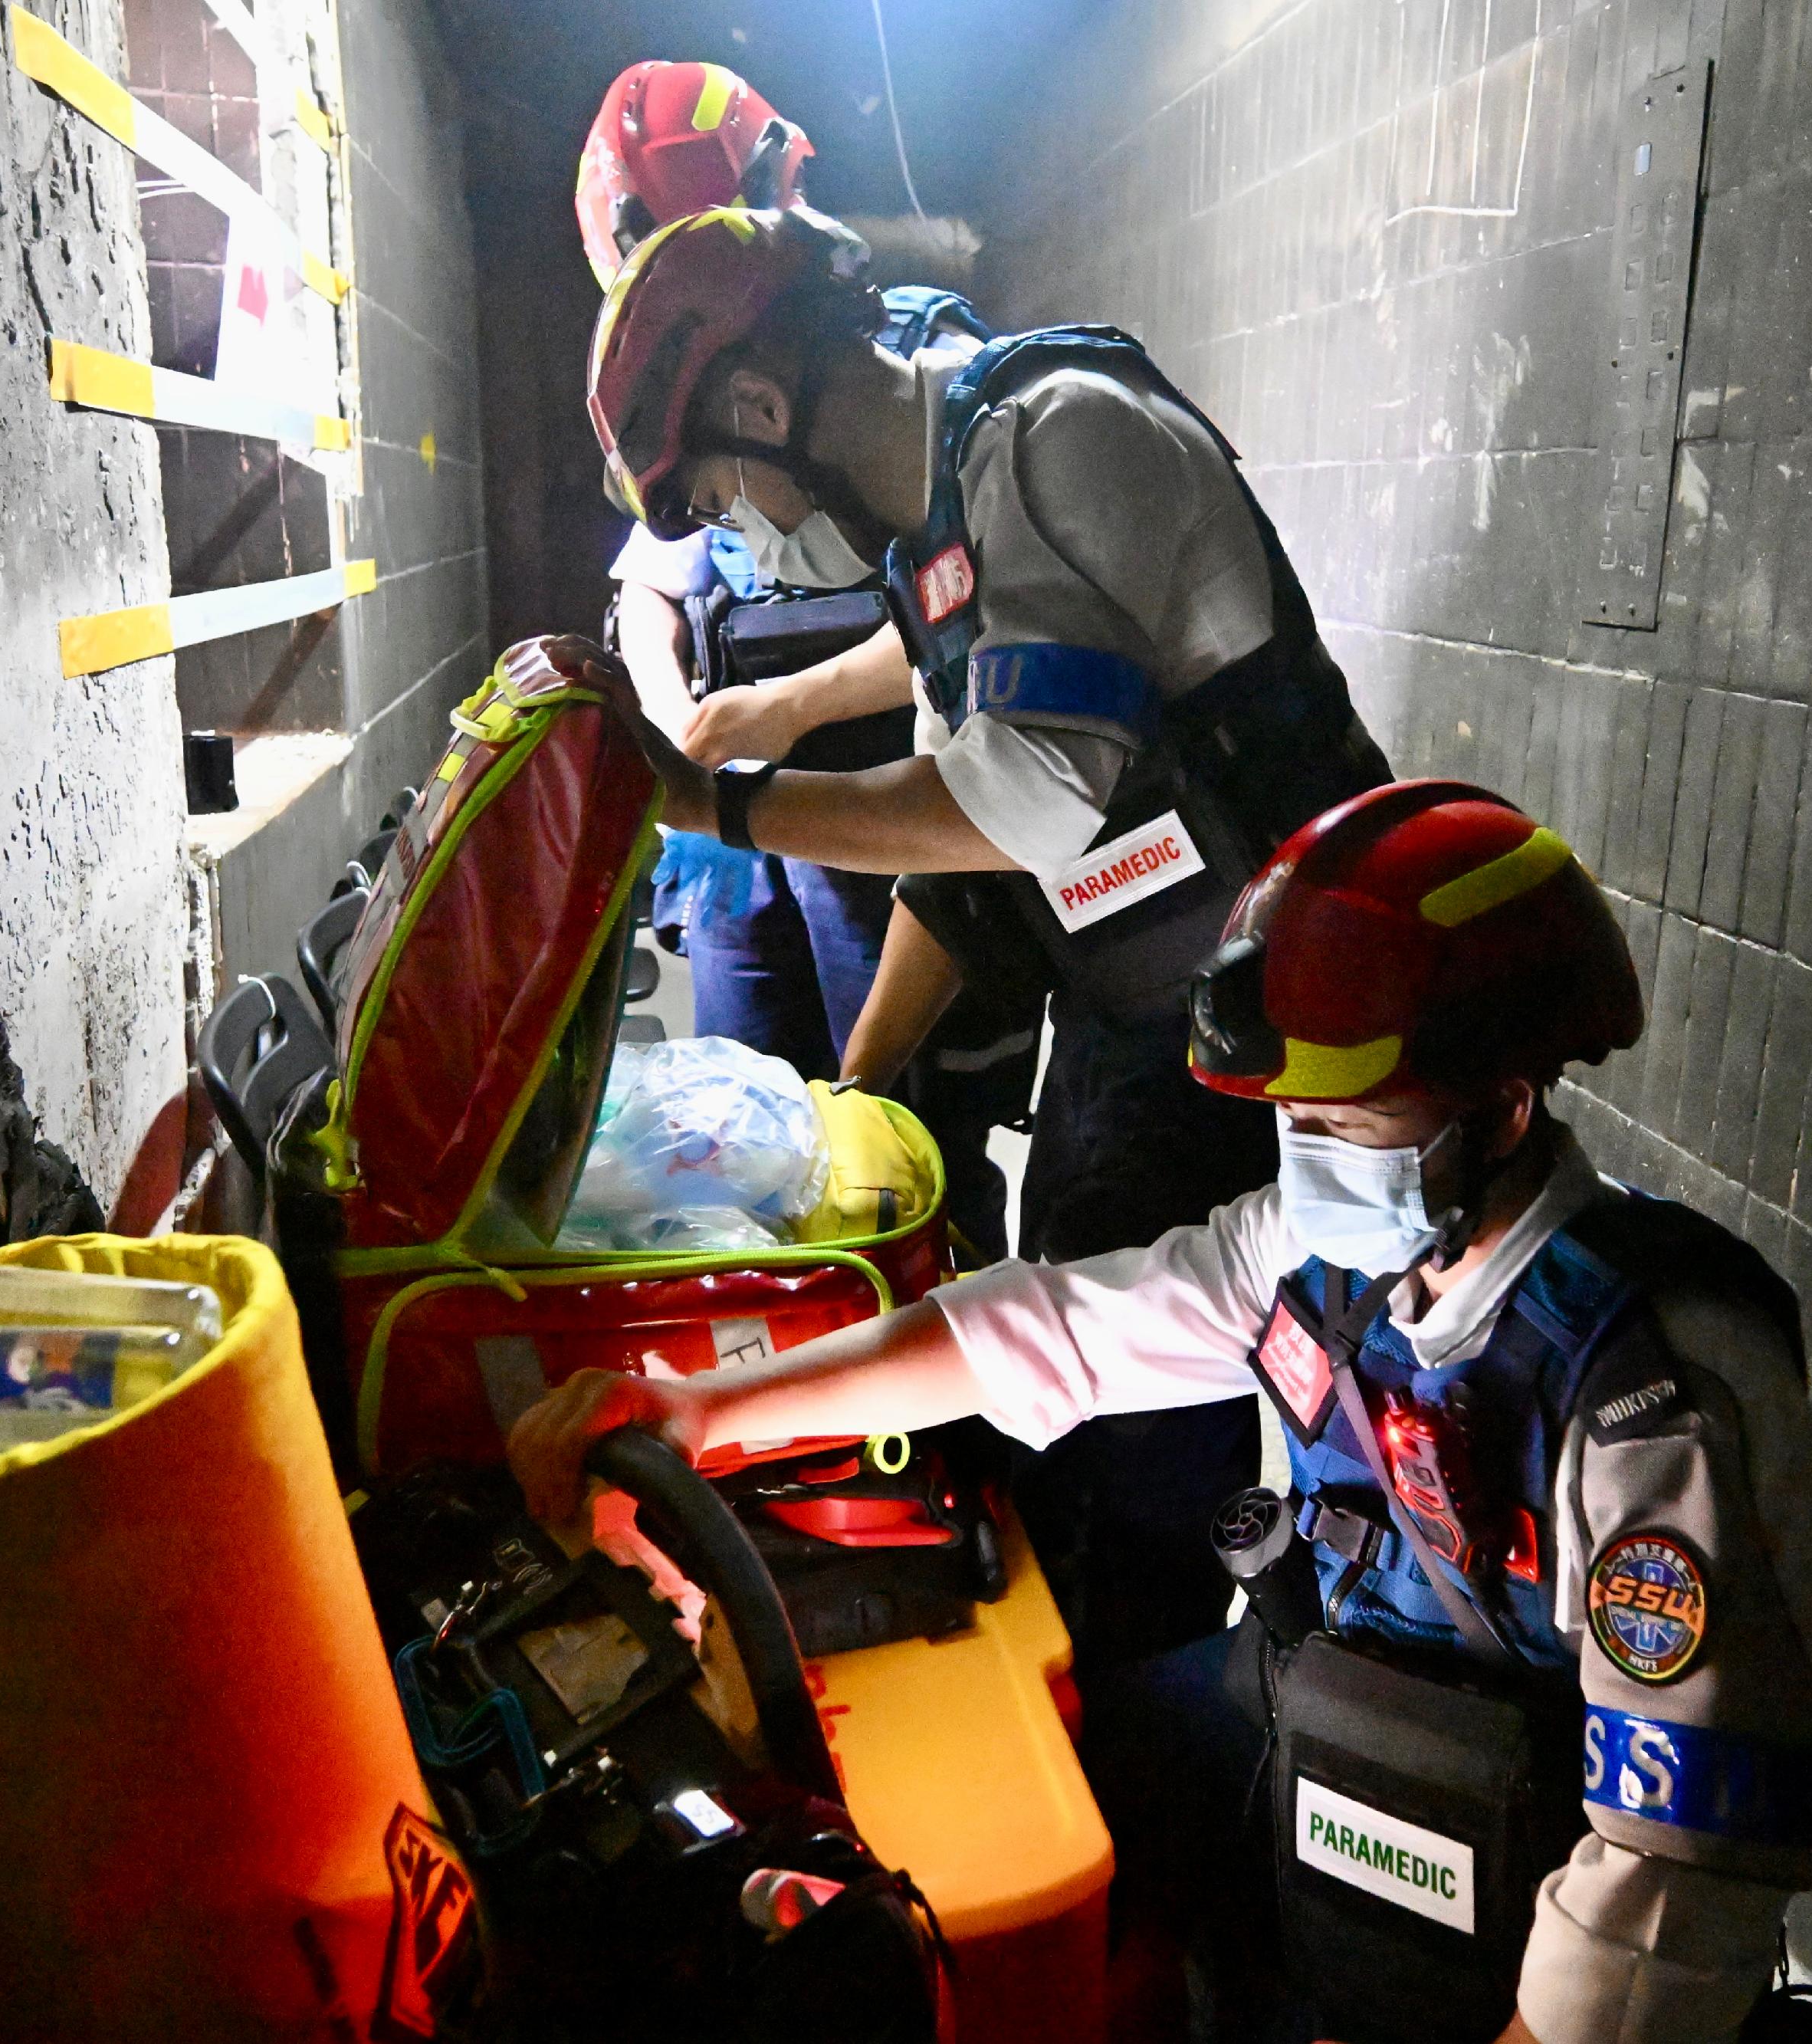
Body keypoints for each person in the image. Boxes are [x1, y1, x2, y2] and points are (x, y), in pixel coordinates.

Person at [508, 782, 1812, 2044]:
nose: (1307, 1160)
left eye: (1350, 1119)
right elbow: (1057, 1328)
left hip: (1534, 1843)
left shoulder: (1656, 1400)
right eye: (1293, 1122)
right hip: (1348, 1729)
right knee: (1055, 1791)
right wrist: (701, 1407)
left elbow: (1675, 1868)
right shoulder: (1330, 1258)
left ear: (1503, 1106)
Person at [581, 202, 1397, 1660]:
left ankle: (1164, 1738)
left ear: (765, 407)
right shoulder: (944, 527)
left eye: (719, 497)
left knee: (1170, 1420)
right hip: (1150, 1009)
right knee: (1065, 1360)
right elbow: (969, 880)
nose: (745, 537)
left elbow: (1021, 800)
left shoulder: (1053, 438)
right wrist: (860, 1089)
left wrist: (722, 802)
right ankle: (1100, 1678)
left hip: (1313, 1015)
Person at [579, 68, 1032, 1257]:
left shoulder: (907, 368)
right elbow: (650, 583)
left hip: (889, 793)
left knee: (904, 1135)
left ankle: (926, 1375)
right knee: (755, 1128)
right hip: (744, 818)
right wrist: (682, 724)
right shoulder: (701, 401)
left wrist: (785, 710)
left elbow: (960, 628)